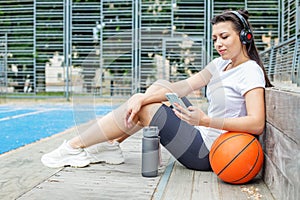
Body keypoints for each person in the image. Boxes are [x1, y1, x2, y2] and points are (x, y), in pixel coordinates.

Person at [41, 9, 272, 170]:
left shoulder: (250, 71)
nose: (218, 44)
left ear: (244, 37)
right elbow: (184, 86)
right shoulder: (221, 64)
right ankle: (112, 145)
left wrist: (205, 121)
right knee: (158, 88)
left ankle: (72, 147)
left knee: (146, 110)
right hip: (203, 134)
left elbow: (256, 123)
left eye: (224, 37)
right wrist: (141, 96)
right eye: (214, 39)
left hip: (209, 153)